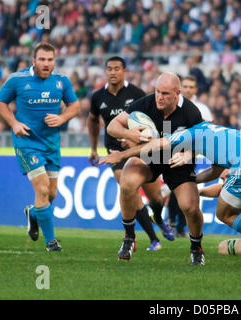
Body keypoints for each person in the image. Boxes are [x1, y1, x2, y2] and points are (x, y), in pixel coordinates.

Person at [99, 121, 241, 267]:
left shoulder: (190, 133)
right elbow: (214, 172)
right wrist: (189, 182)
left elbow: (158, 144)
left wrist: (123, 155)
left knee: (224, 214)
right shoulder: (218, 134)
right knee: (240, 204)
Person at [104, 72, 205, 265]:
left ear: (177, 93)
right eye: (157, 91)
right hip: (149, 156)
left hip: (177, 161)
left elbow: (203, 141)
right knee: (127, 182)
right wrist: (129, 133)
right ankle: (129, 237)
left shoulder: (191, 112)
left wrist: (189, 155)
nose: (159, 96)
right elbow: (112, 127)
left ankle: (196, 247)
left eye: (165, 93)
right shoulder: (146, 103)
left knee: (190, 208)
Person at [0, 42, 80, 251]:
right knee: (42, 189)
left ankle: (33, 213)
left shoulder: (61, 81)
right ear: (34, 61)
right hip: (27, 143)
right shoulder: (17, 80)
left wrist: (62, 119)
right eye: (42, 59)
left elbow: (75, 106)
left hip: (51, 144)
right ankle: (51, 242)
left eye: (50, 60)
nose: (46, 64)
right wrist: (14, 123)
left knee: (51, 195)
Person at [88, 56, 163, 252]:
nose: (113, 72)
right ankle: (147, 238)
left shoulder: (136, 93)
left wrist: (134, 138)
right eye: (109, 69)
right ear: (105, 71)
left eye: (117, 68)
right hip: (113, 152)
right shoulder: (97, 97)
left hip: (138, 149)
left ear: (124, 71)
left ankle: (159, 218)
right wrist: (94, 148)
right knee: (128, 188)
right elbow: (93, 121)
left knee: (155, 197)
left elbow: (147, 122)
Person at [166, 75, 215, 238]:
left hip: (190, 153)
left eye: (190, 87)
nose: (187, 89)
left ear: (195, 89)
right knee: (175, 188)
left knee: (182, 187)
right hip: (169, 149)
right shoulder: (170, 103)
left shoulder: (202, 108)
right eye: (185, 86)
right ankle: (172, 221)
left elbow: (207, 131)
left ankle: (179, 225)